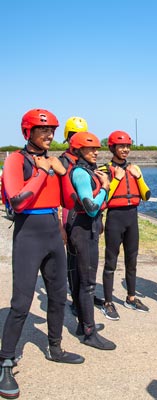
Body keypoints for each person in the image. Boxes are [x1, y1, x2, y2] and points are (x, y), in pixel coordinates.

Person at [0, 109, 84, 400]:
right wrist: (43, 171)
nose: (49, 135)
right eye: (42, 130)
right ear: (28, 132)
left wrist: (73, 175)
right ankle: (6, 361)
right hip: (28, 234)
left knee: (59, 296)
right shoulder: (15, 160)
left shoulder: (54, 161)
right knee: (21, 303)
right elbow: (18, 201)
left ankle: (55, 347)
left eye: (51, 131)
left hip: (51, 232)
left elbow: (69, 200)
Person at [67, 131, 116, 350]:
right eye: (90, 149)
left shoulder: (88, 170)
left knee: (83, 280)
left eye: (97, 148)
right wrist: (105, 186)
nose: (96, 152)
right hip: (84, 230)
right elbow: (90, 206)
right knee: (87, 283)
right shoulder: (81, 173)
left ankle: (83, 324)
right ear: (78, 150)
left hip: (88, 229)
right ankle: (89, 332)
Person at [100, 131, 151, 321]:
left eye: (128, 146)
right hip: (114, 218)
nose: (125, 150)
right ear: (112, 148)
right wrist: (117, 179)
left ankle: (131, 298)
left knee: (132, 261)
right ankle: (107, 303)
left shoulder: (134, 168)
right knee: (110, 262)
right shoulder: (105, 169)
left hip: (132, 218)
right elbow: (104, 198)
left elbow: (145, 195)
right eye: (121, 146)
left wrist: (137, 177)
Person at [59, 116, 103, 318]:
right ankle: (77, 301)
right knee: (73, 262)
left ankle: (84, 298)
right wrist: (60, 224)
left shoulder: (87, 164)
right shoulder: (63, 162)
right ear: (69, 138)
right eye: (74, 135)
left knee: (85, 267)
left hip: (87, 217)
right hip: (71, 214)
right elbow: (58, 196)